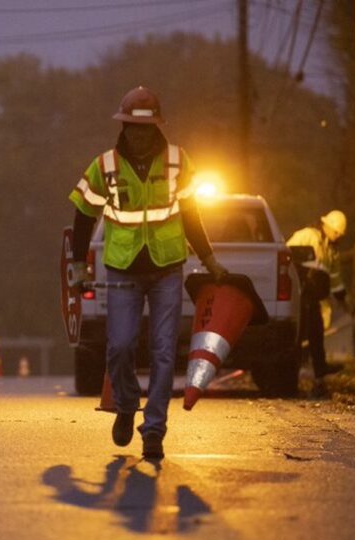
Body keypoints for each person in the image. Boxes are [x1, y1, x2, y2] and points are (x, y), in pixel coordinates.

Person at [67, 86, 227, 460]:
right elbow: (83, 215)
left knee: (163, 353)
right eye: (132, 127)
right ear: (123, 126)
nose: (139, 134)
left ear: (157, 126)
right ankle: (125, 404)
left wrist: (209, 258)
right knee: (120, 346)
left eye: (147, 127)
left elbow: (191, 215)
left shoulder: (177, 162)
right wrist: (77, 264)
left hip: (167, 268)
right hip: (122, 267)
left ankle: (154, 429)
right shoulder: (104, 166)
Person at [286, 210, 348, 383]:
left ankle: (320, 369)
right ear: (326, 226)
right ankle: (290, 373)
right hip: (299, 294)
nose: (337, 236)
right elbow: (285, 255)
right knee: (298, 336)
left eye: (339, 234)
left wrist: (341, 298)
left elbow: (335, 278)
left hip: (313, 298)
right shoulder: (307, 236)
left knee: (316, 333)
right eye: (335, 232)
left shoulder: (331, 250)